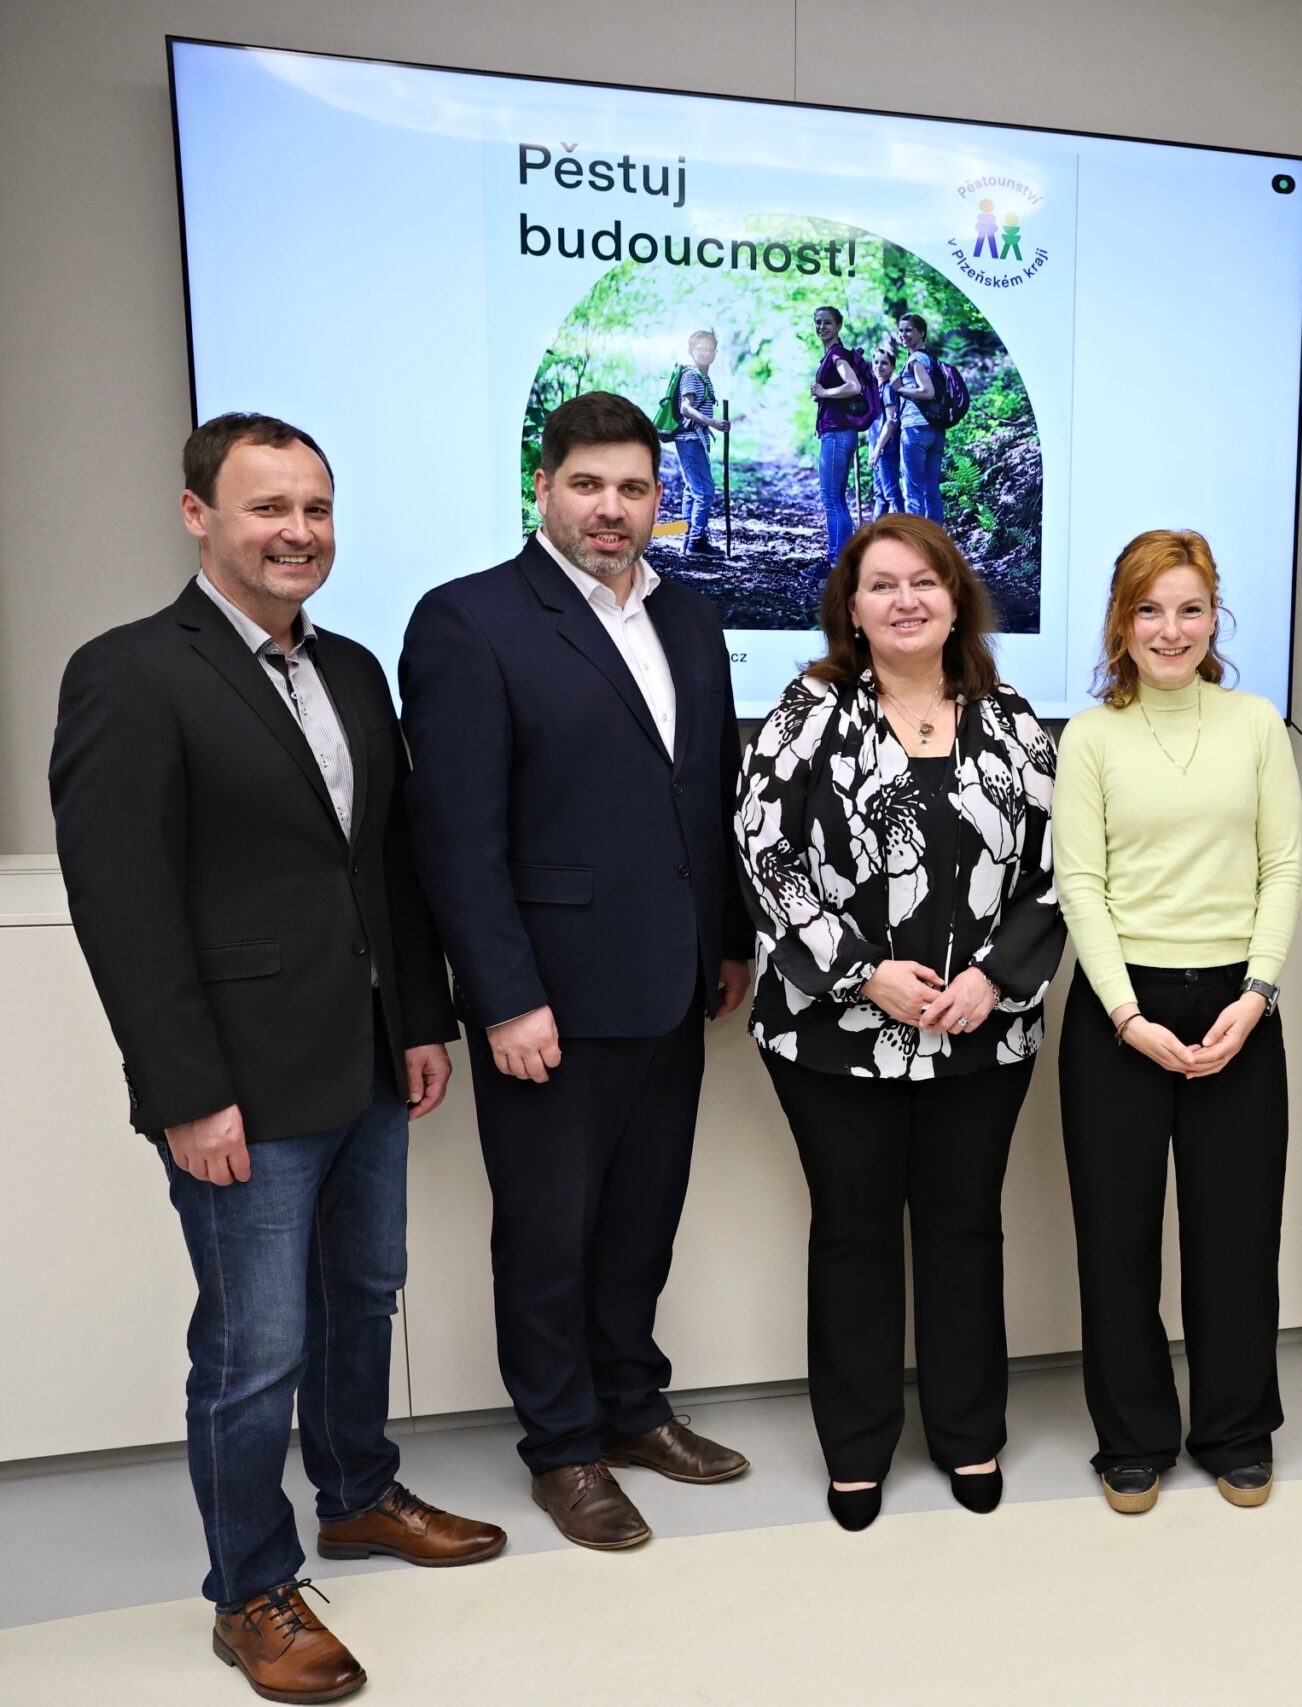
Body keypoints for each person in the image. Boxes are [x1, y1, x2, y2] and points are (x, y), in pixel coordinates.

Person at [50, 414, 505, 1702]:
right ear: (197, 515)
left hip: (365, 1060)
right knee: (255, 1348)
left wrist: (418, 1019)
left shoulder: (351, 668)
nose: (298, 532)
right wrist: (187, 1095)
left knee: (365, 1295)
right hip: (240, 1086)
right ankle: (250, 1587)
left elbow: (384, 866)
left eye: (315, 508)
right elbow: (123, 908)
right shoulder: (130, 673)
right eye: (268, 508)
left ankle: (357, 1494)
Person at [401, 391, 755, 1552]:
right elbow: (456, 837)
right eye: (589, 486)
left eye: (634, 489)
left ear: (659, 500)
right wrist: (504, 997)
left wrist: (729, 939)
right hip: (547, 999)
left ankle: (631, 1408)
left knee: (642, 1221)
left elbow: (707, 790)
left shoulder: (690, 616)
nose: (612, 509)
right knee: (548, 1236)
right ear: (542, 489)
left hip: (673, 982)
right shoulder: (469, 621)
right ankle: (562, 1447)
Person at [736, 513, 1063, 1531]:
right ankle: (857, 1446)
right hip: (831, 1035)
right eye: (882, 585)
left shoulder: (1012, 718)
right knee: (854, 1234)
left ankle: (969, 1433)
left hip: (982, 1033)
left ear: (957, 599)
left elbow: (1061, 868)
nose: (906, 600)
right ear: (851, 607)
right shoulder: (809, 710)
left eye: (925, 581)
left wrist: (994, 980)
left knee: (965, 1228)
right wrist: (862, 974)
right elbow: (762, 850)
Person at [1054, 530, 1302, 1516]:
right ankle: (1131, 1439)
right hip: (1119, 1012)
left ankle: (1237, 1430)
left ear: (1214, 618)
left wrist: (1257, 994)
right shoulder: (1089, 737)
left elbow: (1282, 866)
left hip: (1240, 1007)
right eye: (1149, 609)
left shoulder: (1255, 723)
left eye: (1190, 608)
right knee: (1117, 1242)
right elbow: (1081, 883)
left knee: (1235, 1236)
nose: (1171, 629)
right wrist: (1126, 1014)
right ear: (1121, 621)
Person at [810, 306, 880, 566]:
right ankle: (840, 559)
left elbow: (854, 386)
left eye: (827, 322)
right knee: (837, 498)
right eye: (818, 322)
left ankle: (836, 561)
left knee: (831, 499)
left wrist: (824, 392)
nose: (822, 327)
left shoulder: (837, 354)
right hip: (841, 432)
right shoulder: (832, 354)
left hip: (837, 433)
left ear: (839, 326)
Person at [671, 329, 729, 555]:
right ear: (691, 351)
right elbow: (686, 408)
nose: (705, 353)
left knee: (692, 490)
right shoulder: (691, 376)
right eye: (701, 349)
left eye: (710, 349)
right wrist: (712, 422)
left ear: (715, 352)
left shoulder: (703, 376)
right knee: (704, 491)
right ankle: (697, 541)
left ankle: (689, 540)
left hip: (694, 439)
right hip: (690, 439)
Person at [890, 312, 948, 524]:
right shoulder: (932, 359)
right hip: (936, 428)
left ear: (922, 333)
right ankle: (935, 540)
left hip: (916, 428)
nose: (903, 334)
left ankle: (915, 541)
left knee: (913, 491)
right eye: (901, 330)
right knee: (931, 490)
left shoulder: (915, 360)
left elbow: (928, 392)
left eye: (909, 330)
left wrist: (900, 389)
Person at [868, 344, 904, 526]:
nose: (879, 366)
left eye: (884, 363)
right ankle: (876, 534)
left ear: (892, 366)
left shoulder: (889, 389)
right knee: (880, 494)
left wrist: (877, 449)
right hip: (876, 447)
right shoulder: (877, 389)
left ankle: (904, 531)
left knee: (891, 493)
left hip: (886, 448)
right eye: (876, 362)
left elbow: (890, 422)